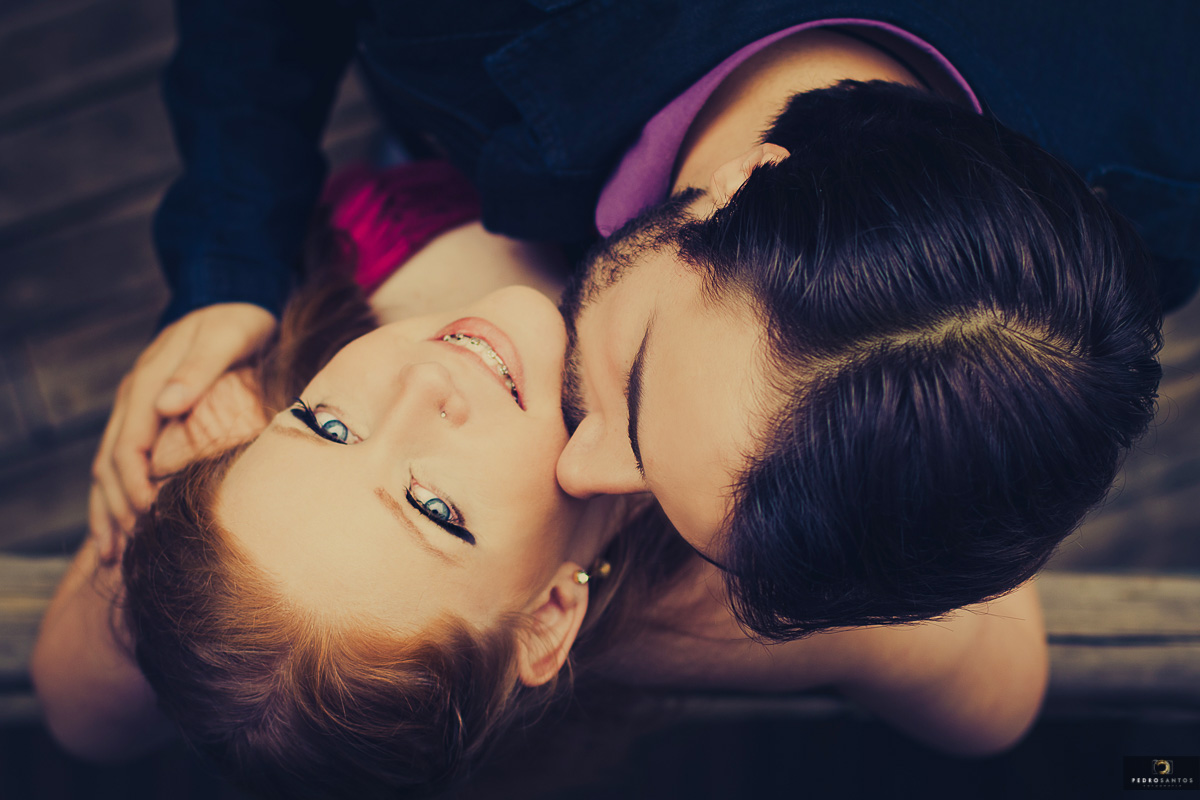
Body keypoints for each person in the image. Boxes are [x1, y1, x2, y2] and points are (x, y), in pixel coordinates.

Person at [90, 6, 1188, 635]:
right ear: (748, 181)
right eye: (635, 386)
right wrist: (233, 251)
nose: (577, 466)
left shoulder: (1161, 210)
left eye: (670, 494)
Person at [35, 164, 1048, 799]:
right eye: (436, 509)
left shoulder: (290, 373)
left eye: (325, 424)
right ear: (549, 617)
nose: (418, 386)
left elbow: (78, 705)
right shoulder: (716, 561)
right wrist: (634, 633)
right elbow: (998, 697)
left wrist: (179, 491)